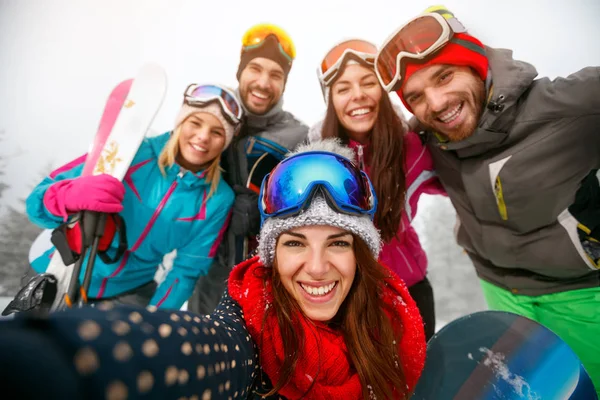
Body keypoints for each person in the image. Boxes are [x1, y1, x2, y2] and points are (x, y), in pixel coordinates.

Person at [0, 140, 426, 400]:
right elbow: (189, 352)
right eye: (295, 243)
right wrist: (50, 359)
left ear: (361, 254)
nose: (316, 268)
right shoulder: (249, 327)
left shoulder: (393, 322)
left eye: (337, 243)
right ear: (271, 255)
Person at [374, 4, 600, 393]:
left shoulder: (569, 107)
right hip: (498, 291)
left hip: (580, 294)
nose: (437, 103)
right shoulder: (431, 135)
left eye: (444, 77)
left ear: (475, 64)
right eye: (417, 96)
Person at [20, 84, 239, 310]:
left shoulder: (217, 199)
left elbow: (186, 271)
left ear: (226, 142)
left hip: (130, 293)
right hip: (61, 270)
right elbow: (36, 204)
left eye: (217, 132)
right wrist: (68, 197)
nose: (203, 137)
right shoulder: (131, 153)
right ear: (180, 123)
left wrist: (155, 320)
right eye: (195, 123)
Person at [309, 38, 445, 340]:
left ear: (383, 90)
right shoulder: (315, 160)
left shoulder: (413, 148)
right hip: (346, 299)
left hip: (410, 290)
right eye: (343, 89)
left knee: (418, 383)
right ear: (332, 101)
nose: (357, 96)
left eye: (368, 83)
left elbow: (463, 182)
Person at [190, 23, 308, 314]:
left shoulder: (298, 136)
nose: (263, 83)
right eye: (255, 69)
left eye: (275, 75)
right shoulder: (209, 117)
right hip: (205, 277)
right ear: (240, 71)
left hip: (264, 283)